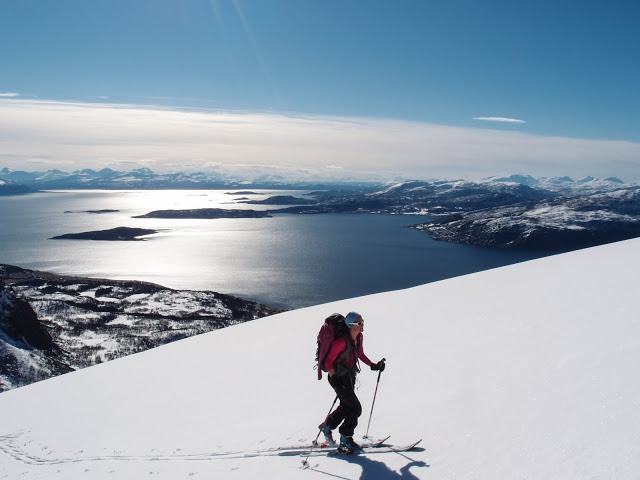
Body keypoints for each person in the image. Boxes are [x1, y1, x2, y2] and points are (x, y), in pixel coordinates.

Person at [319, 311, 386, 452]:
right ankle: (346, 437)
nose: (362, 326)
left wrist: (373, 365)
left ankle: (327, 426)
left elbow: (360, 354)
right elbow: (329, 362)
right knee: (355, 408)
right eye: (359, 323)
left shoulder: (359, 337)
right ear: (351, 326)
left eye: (363, 322)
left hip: (349, 376)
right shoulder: (341, 342)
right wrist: (335, 379)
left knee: (346, 405)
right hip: (337, 377)